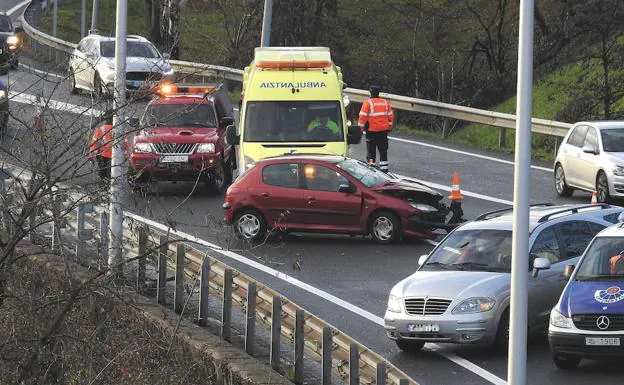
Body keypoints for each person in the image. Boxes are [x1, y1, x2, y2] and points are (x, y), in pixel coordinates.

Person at [358, 85, 394, 173]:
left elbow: (362, 118)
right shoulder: (385, 102)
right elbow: (391, 117)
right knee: (383, 151)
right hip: (383, 132)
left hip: (371, 131)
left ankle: (371, 168)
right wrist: (388, 127)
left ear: (370, 93)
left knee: (371, 152)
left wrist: (360, 130)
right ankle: (384, 170)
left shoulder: (367, 103)